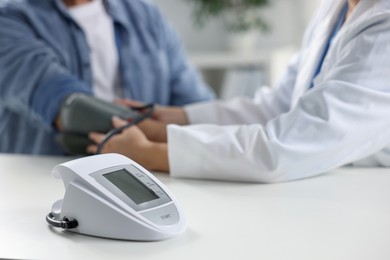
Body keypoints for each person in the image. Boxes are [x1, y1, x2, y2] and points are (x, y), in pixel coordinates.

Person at [88, 0, 390, 183]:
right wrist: (177, 118)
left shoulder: (383, 27)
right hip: (320, 186)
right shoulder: (335, 8)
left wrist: (151, 154)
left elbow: (284, 148)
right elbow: (279, 106)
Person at [0, 0, 214, 155]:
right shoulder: (10, 20)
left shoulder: (147, 17)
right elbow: (72, 110)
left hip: (142, 181)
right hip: (49, 185)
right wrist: (162, 141)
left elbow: (196, 107)